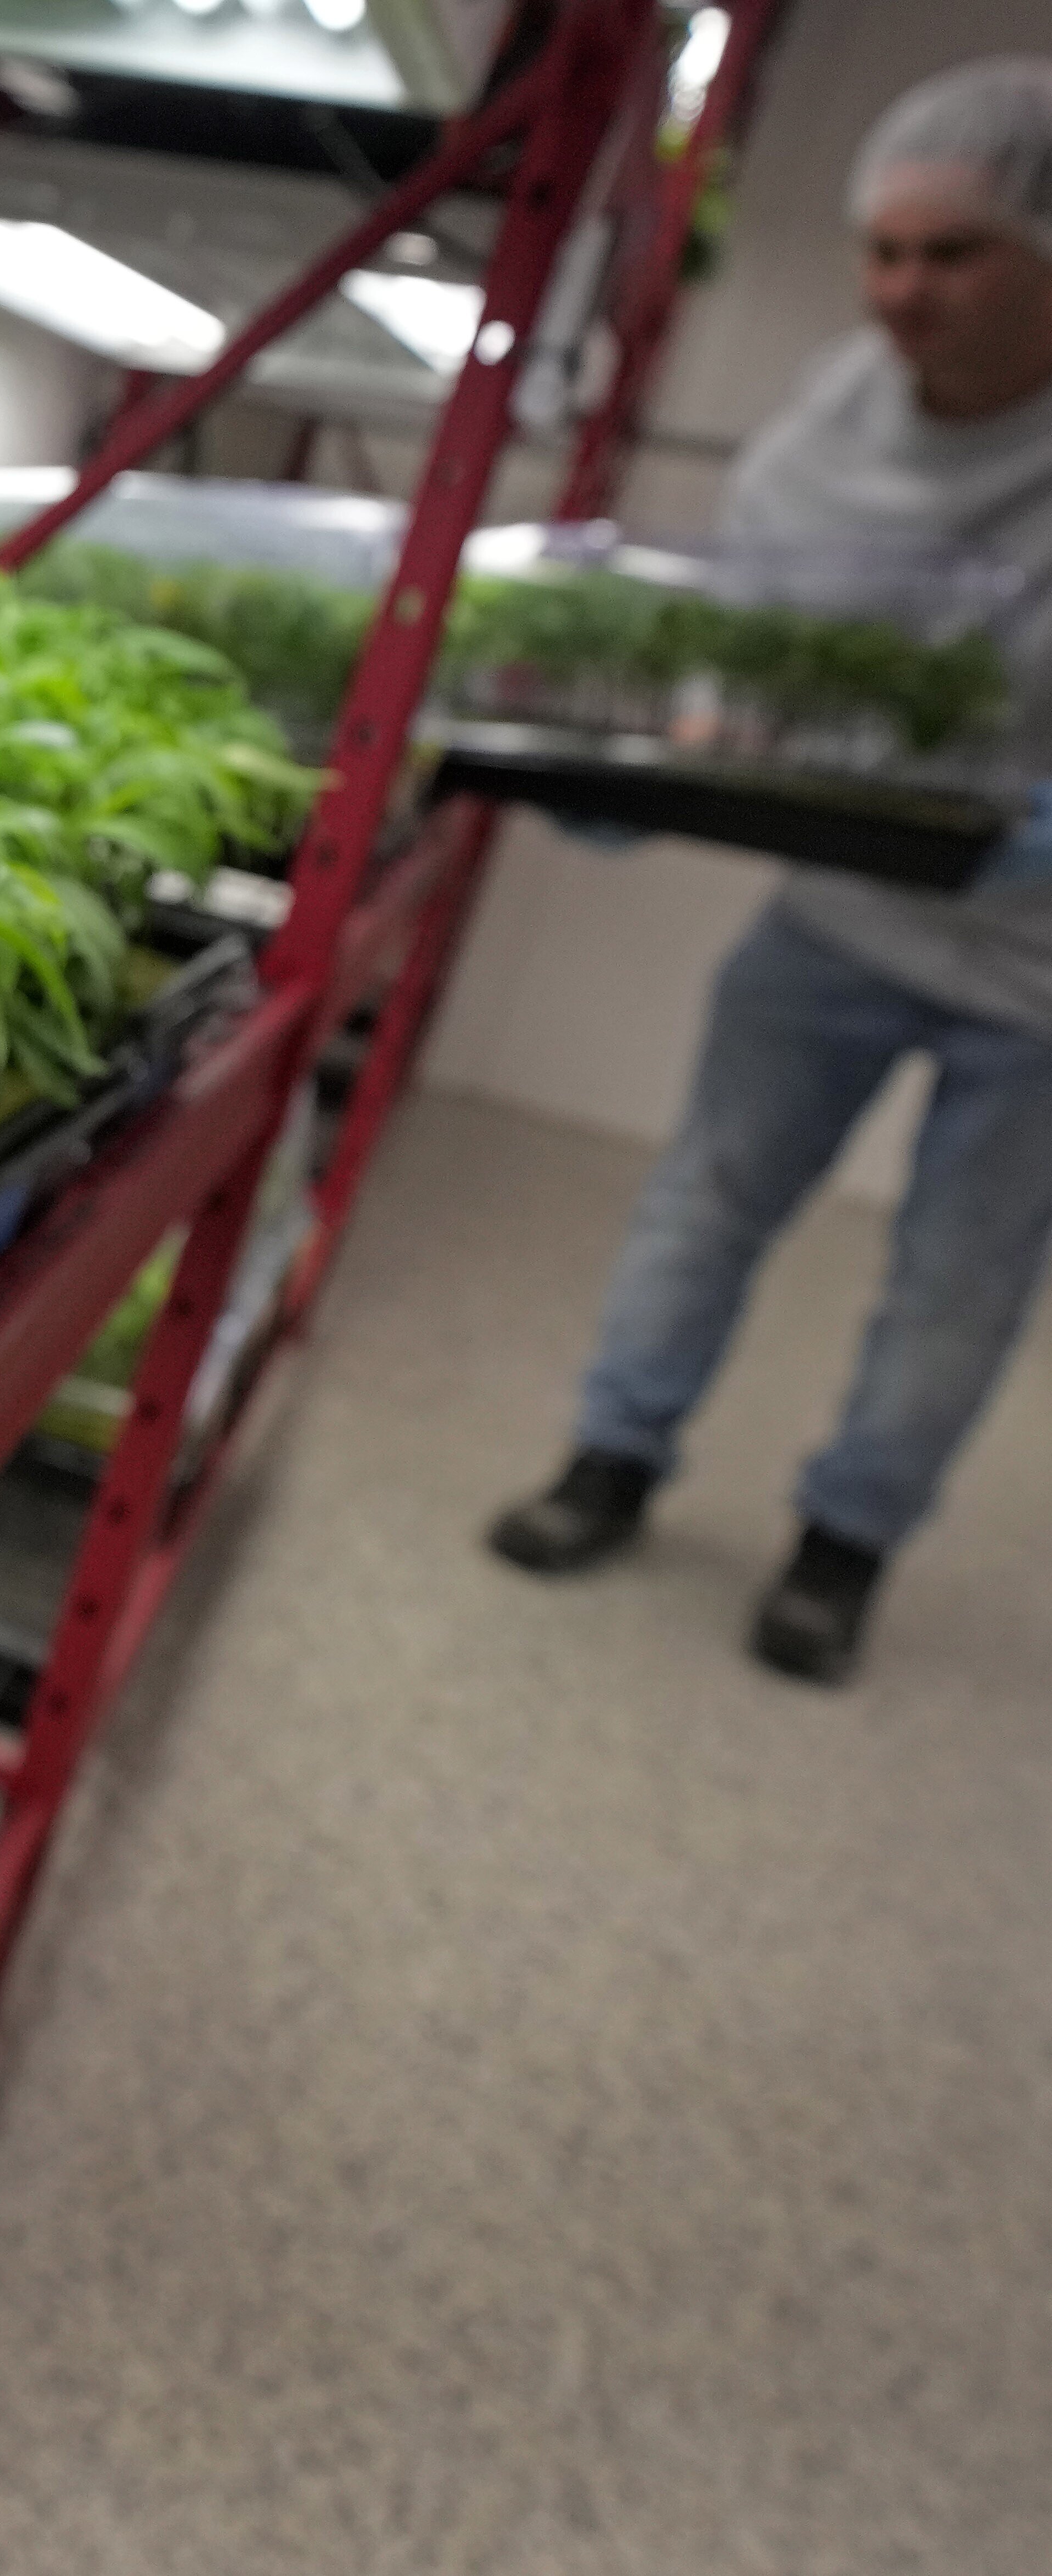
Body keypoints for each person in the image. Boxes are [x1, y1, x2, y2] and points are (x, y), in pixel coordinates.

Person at [488, 57, 1052, 1684]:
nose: (905, 291)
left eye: (956, 253)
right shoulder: (830, 426)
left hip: (1039, 973)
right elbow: (746, 652)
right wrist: (645, 757)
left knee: (960, 1281)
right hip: (839, 913)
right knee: (712, 1194)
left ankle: (845, 1543)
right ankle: (613, 1458)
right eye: (885, 249)